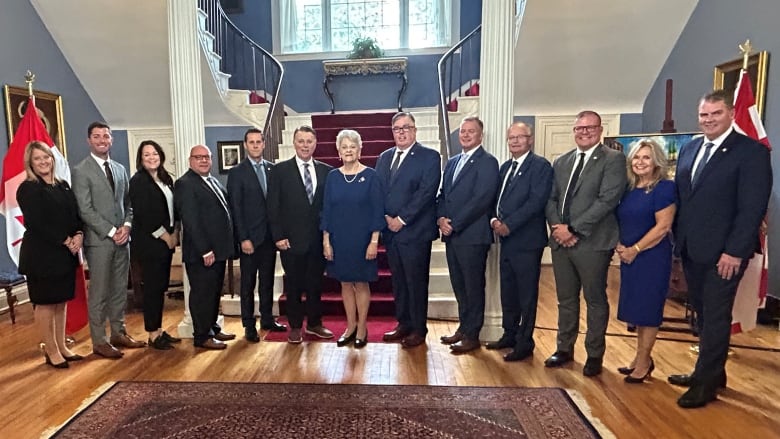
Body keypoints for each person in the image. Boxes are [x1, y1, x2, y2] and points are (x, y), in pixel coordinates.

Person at [669, 90, 772, 408]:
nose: (709, 120)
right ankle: (714, 373)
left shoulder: (751, 152)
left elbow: (751, 208)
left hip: (725, 254)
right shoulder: (689, 148)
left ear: (730, 114)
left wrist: (735, 251)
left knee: (715, 316)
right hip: (691, 248)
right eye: (704, 115)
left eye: (715, 113)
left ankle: (705, 385)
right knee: (701, 312)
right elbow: (686, 199)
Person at [544, 111, 626, 376]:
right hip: (560, 242)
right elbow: (551, 199)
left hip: (593, 243)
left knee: (595, 300)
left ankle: (594, 355)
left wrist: (574, 230)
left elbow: (607, 200)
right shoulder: (562, 161)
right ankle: (564, 348)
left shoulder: (613, 160)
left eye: (590, 127)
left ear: (600, 129)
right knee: (566, 300)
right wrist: (558, 228)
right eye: (579, 128)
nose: (584, 132)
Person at [73, 121, 145, 359]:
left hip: (123, 240)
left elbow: (128, 204)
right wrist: (111, 230)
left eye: (106, 136)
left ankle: (118, 332)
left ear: (111, 139)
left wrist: (126, 226)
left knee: (119, 291)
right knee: (100, 293)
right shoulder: (81, 171)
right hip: (99, 242)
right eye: (97, 136)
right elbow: (85, 209)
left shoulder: (120, 169)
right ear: (89, 140)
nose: (102, 140)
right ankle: (99, 341)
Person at [487, 122, 552, 362]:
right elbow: (495, 199)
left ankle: (525, 342)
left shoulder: (540, 167)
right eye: (511, 138)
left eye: (520, 137)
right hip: (504, 240)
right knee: (508, 291)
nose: (514, 141)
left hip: (526, 241)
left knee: (526, 295)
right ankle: (509, 334)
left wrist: (509, 225)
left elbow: (536, 202)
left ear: (530, 139)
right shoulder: (505, 167)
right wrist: (494, 219)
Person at [376, 112, 441, 348]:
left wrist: (401, 219)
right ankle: (403, 323)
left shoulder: (429, 157)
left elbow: (426, 193)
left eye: (406, 127)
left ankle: (418, 329)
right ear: (392, 132)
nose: (402, 132)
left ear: (415, 130)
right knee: (399, 282)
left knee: (415, 282)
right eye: (397, 128)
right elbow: (378, 190)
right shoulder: (384, 157)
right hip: (390, 233)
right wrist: (385, 217)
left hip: (414, 232)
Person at [17, 141, 84, 368]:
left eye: (46, 157)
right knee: (45, 303)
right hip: (41, 256)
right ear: (30, 163)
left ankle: (62, 345)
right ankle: (51, 350)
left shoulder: (62, 185)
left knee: (61, 302)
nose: (43, 162)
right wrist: (66, 240)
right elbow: (37, 222)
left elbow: (74, 214)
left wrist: (78, 234)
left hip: (65, 254)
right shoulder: (28, 189)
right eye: (38, 159)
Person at [436, 116, 499, 354]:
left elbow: (482, 199)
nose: (465, 135)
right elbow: (442, 195)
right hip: (452, 236)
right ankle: (463, 328)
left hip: (472, 236)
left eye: (471, 131)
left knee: (473, 287)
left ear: (480, 135)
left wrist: (456, 224)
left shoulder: (488, 162)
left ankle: (473, 335)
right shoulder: (452, 162)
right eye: (463, 131)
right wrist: (441, 219)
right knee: (459, 286)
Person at [614, 139, 676, 383]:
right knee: (637, 310)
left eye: (646, 158)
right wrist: (621, 245)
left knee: (649, 311)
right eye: (637, 157)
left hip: (652, 258)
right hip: (630, 257)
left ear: (656, 161)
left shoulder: (664, 188)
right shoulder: (630, 188)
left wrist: (636, 249)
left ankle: (644, 362)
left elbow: (663, 226)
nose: (640, 162)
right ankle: (640, 357)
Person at [267, 126, 334, 344]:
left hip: (317, 240)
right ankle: (295, 326)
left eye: (309, 141)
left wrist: (328, 238)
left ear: (315, 144)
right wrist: (278, 236)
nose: (305, 145)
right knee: (294, 285)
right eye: (301, 141)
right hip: (290, 241)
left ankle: (315, 324)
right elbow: (273, 206)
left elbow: (329, 207)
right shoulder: (280, 171)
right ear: (294, 143)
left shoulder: (327, 171)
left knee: (315, 285)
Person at [321, 130, 385, 348]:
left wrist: (374, 241)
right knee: (345, 283)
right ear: (338, 151)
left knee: (361, 282)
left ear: (360, 149)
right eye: (344, 147)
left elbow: (378, 211)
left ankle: (363, 327)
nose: (348, 150)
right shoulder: (333, 177)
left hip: (363, 239)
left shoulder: (371, 176)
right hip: (339, 238)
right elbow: (327, 210)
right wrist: (326, 240)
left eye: (352, 146)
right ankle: (350, 326)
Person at [174, 145, 237, 350]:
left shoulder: (211, 180)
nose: (203, 161)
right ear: (190, 160)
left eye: (206, 157)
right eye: (198, 157)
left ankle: (212, 328)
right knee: (202, 293)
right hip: (202, 253)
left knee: (213, 291)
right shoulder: (185, 184)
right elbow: (191, 221)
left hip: (217, 251)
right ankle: (201, 336)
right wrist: (205, 250)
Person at [227, 128, 286, 343]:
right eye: (251, 142)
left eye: (258, 142)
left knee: (267, 282)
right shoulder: (237, 172)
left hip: (269, 238)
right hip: (250, 240)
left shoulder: (273, 170)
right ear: (245, 145)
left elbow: (277, 205)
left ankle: (267, 319)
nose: (255, 145)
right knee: (248, 285)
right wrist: (243, 238)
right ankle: (249, 324)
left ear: (263, 144)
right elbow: (236, 208)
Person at [129, 140, 181, 350]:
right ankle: (152, 334)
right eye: (146, 155)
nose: (152, 158)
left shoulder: (165, 178)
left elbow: (173, 208)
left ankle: (160, 330)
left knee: (161, 287)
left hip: (167, 239)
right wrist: (164, 236)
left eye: (154, 154)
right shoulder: (138, 181)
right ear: (141, 159)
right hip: (150, 242)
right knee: (151, 288)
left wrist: (175, 231)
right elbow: (143, 214)